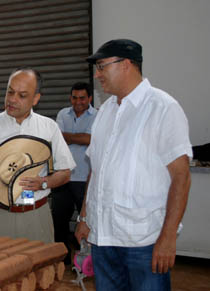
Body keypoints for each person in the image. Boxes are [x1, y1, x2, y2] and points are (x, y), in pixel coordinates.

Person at [75, 39, 192, 290]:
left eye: (102, 66)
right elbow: (97, 171)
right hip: (103, 238)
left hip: (144, 241)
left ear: (126, 64)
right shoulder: (106, 111)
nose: (97, 75)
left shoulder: (162, 107)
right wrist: (84, 217)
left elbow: (181, 177)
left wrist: (168, 237)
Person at [0, 68, 75, 242]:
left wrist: (44, 183)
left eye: (22, 95)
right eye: (10, 92)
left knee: (40, 267)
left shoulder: (48, 127)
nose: (12, 99)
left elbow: (65, 172)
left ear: (36, 99)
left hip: (35, 214)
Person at [52, 82, 97, 263]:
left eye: (82, 98)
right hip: (62, 177)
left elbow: (90, 139)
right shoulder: (63, 114)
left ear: (89, 99)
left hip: (85, 178)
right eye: (74, 98)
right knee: (59, 221)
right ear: (70, 98)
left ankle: (83, 262)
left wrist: (68, 137)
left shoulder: (97, 116)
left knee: (86, 222)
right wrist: (79, 138)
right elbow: (56, 138)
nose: (78, 102)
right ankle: (63, 260)